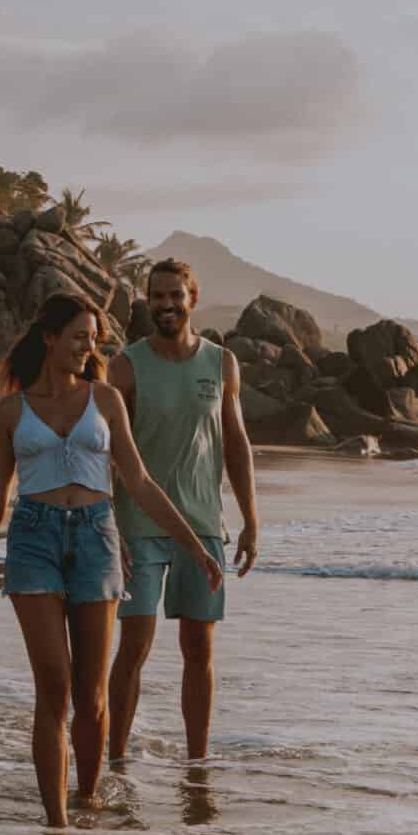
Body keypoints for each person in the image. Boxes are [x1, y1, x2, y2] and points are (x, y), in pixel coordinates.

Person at [0, 291, 223, 827]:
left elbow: (140, 483)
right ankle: (57, 828)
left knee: (92, 695)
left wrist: (193, 546)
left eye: (94, 339)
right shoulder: (10, 412)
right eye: (79, 337)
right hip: (33, 540)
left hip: (98, 540)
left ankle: (89, 799)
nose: (88, 347)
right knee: (53, 687)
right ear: (50, 338)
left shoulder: (106, 401)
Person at [107, 257, 259, 763]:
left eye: (175, 295)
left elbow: (235, 444)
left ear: (192, 298)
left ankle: (197, 765)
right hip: (137, 525)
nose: (166, 305)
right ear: (148, 301)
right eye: (157, 296)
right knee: (135, 646)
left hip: (203, 524)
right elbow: (110, 452)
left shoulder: (221, 364)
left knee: (199, 650)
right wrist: (111, 527)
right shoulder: (126, 365)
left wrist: (251, 519)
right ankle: (115, 761)